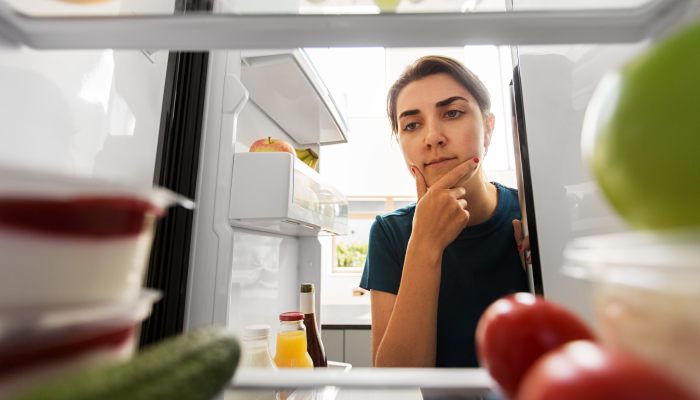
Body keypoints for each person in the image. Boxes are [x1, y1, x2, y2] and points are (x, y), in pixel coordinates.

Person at [359, 55, 530, 368]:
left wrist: (545, 278)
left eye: (452, 112)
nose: (432, 137)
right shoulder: (389, 232)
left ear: (488, 128)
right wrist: (424, 244)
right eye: (411, 124)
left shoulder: (532, 213)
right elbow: (397, 384)